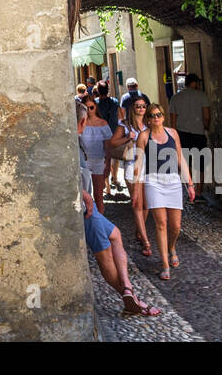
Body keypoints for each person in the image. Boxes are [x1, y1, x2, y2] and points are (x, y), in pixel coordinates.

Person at [81, 162, 161, 318]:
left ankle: (127, 287)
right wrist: (85, 196)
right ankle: (131, 299)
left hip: (88, 205)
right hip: (85, 208)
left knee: (115, 234)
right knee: (105, 257)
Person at [134, 103, 194, 280]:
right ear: (148, 119)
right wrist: (137, 190)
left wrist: (190, 184)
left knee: (175, 226)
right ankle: (165, 265)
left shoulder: (172, 133)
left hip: (173, 182)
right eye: (152, 115)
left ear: (163, 116)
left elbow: (180, 159)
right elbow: (138, 165)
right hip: (154, 182)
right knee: (161, 223)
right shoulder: (144, 137)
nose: (156, 118)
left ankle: (172, 247)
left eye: (158, 114)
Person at [169, 72, 211, 202]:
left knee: (186, 164)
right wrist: (206, 127)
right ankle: (198, 192)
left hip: (182, 134)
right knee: (201, 164)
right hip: (198, 134)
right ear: (196, 83)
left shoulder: (175, 98)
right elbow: (206, 117)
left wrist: (175, 136)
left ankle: (190, 190)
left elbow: (173, 120)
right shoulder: (202, 96)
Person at [120, 95, 152, 256]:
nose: (141, 109)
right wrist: (127, 137)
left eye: (143, 106)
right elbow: (112, 143)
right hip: (132, 165)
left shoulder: (150, 124)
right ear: (133, 108)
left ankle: (139, 231)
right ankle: (145, 241)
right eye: (138, 106)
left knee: (146, 204)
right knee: (137, 203)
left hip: (148, 166)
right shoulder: (125, 125)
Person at [77, 96, 114, 213]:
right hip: (85, 161)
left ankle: (100, 221)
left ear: (95, 107)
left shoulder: (103, 123)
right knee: (85, 194)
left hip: (99, 161)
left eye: (91, 107)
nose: (89, 110)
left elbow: (108, 146)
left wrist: (108, 164)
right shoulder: (80, 124)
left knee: (99, 194)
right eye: (86, 108)